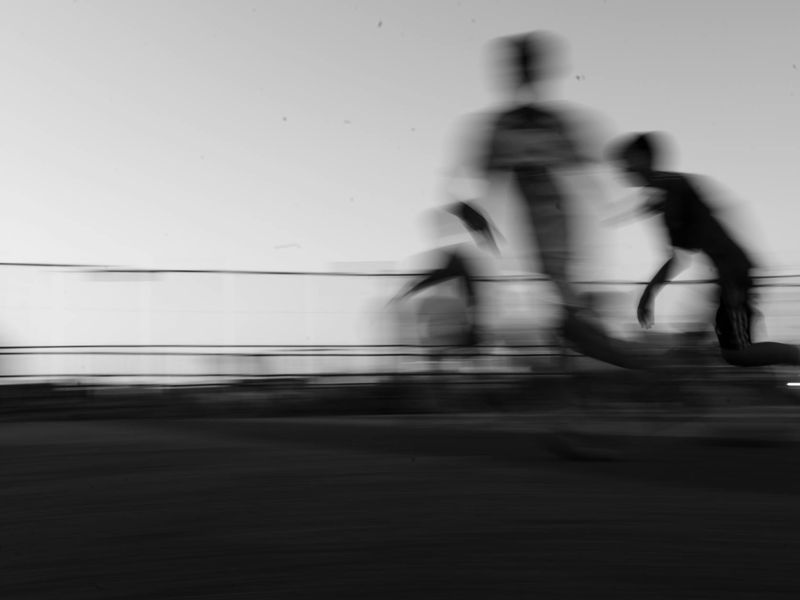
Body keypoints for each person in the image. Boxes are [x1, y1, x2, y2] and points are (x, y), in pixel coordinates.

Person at [454, 31, 658, 370]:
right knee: (561, 308)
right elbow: (485, 180)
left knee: (564, 309)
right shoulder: (501, 126)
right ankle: (625, 362)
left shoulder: (552, 122)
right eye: (519, 64)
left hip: (557, 223)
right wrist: (474, 212)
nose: (523, 72)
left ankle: (632, 363)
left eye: (527, 64)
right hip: (528, 225)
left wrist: (611, 206)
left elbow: (587, 167)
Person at [609, 131, 800, 367]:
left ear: (643, 157)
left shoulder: (671, 190)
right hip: (728, 274)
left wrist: (648, 294)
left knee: (738, 352)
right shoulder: (669, 189)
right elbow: (682, 232)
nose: (622, 169)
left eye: (626, 161)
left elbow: (677, 257)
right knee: (720, 348)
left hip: (732, 273)